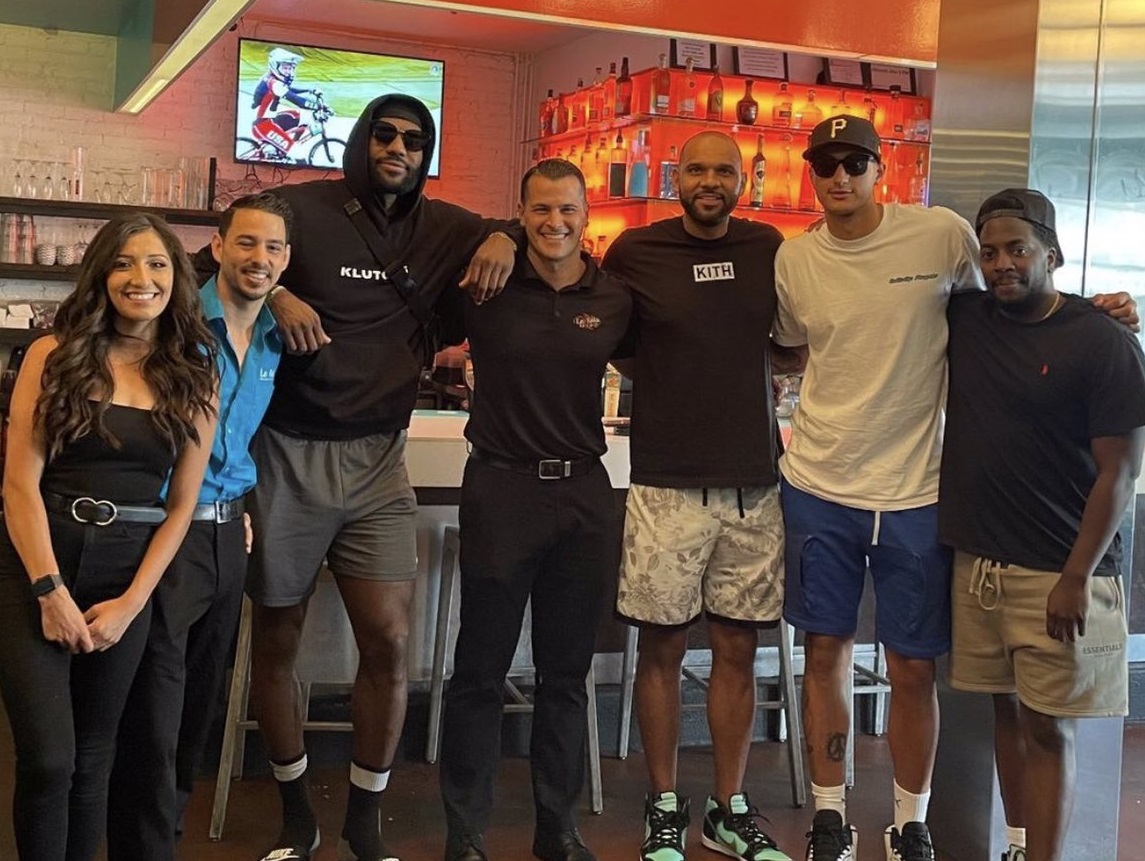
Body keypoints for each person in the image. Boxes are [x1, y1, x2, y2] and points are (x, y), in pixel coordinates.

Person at [774, 117, 1137, 861]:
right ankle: (830, 815)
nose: (839, 175)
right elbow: (785, 345)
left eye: (854, 162)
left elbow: (1021, 298)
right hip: (819, 484)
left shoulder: (939, 234)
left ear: (880, 169)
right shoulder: (794, 259)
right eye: (825, 163)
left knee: (914, 667)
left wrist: (1100, 311)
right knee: (825, 651)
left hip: (916, 493)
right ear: (810, 172)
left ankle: (910, 822)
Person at [203, 93, 518, 861]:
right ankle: (295, 814)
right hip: (287, 452)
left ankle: (365, 822)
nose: (397, 148)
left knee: (389, 638)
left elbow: (518, 225)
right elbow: (216, 257)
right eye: (384, 134)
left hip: (380, 459)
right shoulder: (302, 209)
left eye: (413, 139)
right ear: (360, 139)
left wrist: (503, 237)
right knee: (277, 636)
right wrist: (276, 290)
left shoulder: (443, 227)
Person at [0, 212, 217, 861]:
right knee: (49, 759)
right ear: (101, 274)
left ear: (175, 279)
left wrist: (131, 604)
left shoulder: (194, 374)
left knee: (95, 758)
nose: (139, 277)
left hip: (127, 574)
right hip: (36, 561)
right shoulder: (52, 354)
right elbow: (19, 485)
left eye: (156, 263)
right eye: (123, 262)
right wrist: (49, 590)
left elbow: (181, 506)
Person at [940, 189, 1145, 861]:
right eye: (990, 253)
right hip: (981, 568)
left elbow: (1119, 473)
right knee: (1005, 712)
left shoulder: (1101, 339)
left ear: (1051, 255)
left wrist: (1075, 577)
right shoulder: (967, 317)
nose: (1002, 264)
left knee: (1049, 728)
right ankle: (1019, 845)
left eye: (1017, 250)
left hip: (1058, 571)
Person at [607, 131, 794, 861]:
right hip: (665, 481)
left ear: (742, 180)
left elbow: (792, 339)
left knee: (737, 648)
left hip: (754, 483)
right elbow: (621, 346)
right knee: (662, 646)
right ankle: (662, 804)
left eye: (723, 169)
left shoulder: (768, 247)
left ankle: (728, 808)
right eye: (696, 169)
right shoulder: (636, 251)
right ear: (673, 176)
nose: (709, 180)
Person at [438, 158, 631, 861]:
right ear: (520, 214)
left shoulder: (613, 297)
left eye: (567, 210)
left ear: (586, 216)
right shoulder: (484, 284)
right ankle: (465, 834)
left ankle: (558, 829)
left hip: (583, 492)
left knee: (567, 675)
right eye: (540, 210)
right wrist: (496, 236)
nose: (555, 222)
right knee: (479, 671)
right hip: (501, 488)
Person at [106, 193, 291, 861]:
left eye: (273, 247)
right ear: (217, 247)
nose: (259, 258)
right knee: (154, 711)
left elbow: (241, 442)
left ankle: (166, 835)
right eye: (246, 242)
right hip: (165, 533)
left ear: (286, 260)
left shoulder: (273, 336)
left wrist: (241, 513)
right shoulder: (173, 323)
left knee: (196, 713)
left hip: (227, 535)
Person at [251, 47, 325, 158]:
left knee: (298, 115)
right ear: (275, 66)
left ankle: (288, 146)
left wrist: (309, 90)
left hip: (269, 120)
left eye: (291, 68)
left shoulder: (272, 79)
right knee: (298, 154)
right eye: (285, 68)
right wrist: (318, 106)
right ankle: (290, 150)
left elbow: (290, 90)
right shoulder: (274, 84)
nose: (289, 72)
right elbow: (296, 100)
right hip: (263, 126)